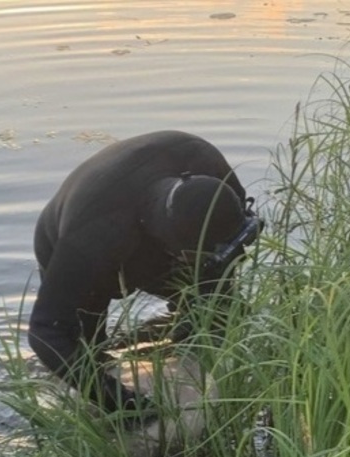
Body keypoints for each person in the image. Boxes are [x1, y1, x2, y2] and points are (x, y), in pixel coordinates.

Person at [29, 130, 261, 422]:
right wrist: (122, 403)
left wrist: (218, 268)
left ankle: (186, 351)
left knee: (219, 314)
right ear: (175, 251)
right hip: (76, 237)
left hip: (154, 229)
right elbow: (46, 331)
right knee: (86, 351)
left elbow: (225, 249)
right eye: (195, 258)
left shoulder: (205, 163)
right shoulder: (94, 235)